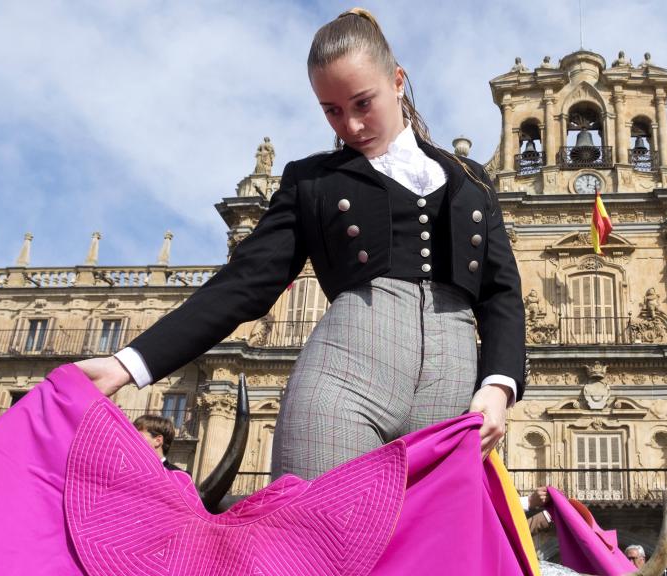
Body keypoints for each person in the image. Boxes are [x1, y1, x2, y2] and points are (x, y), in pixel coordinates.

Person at [75, 7, 526, 481]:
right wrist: (128, 363)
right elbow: (245, 282)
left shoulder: (472, 181)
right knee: (319, 549)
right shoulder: (313, 182)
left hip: (452, 401)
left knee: (440, 555)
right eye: (332, 110)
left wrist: (499, 385)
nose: (350, 126)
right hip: (342, 386)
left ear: (397, 81)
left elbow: (501, 294)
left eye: (362, 102)